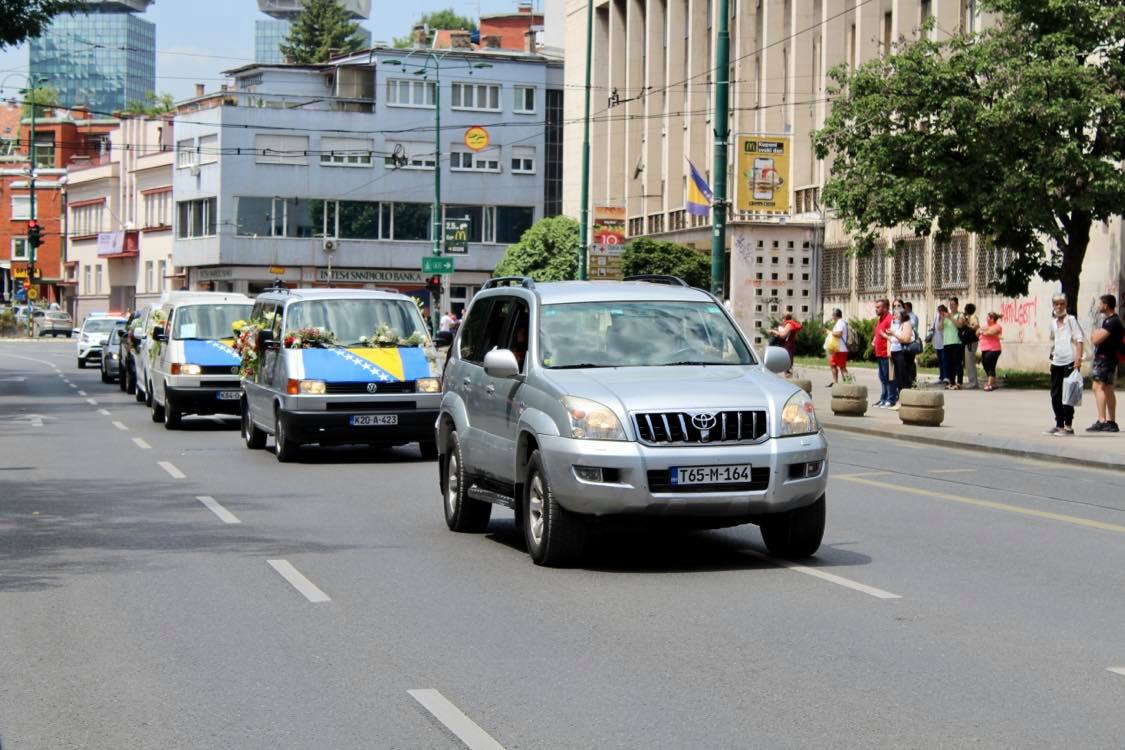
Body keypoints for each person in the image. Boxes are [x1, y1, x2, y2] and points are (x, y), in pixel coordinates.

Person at [1044, 294, 1084, 436]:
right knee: (1055, 394)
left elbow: (1079, 340)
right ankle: (1059, 424)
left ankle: (1068, 426)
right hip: (1057, 362)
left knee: (1068, 394)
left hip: (1070, 361)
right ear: (1053, 305)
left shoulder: (1071, 320)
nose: (1059, 306)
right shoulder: (1053, 322)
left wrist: (1078, 360)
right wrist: (1052, 356)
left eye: (1062, 304)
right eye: (1056, 304)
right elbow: (1052, 340)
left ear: (1066, 305)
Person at [1087, 294, 1122, 433]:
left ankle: (1102, 420)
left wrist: (1094, 333)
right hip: (1109, 358)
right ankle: (1111, 422)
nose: (1099, 306)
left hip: (1104, 359)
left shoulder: (1111, 322)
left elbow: (1096, 339)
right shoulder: (1113, 321)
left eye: (1101, 304)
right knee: (1108, 388)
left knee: (1098, 387)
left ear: (1106, 305)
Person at [882, 308, 915, 410]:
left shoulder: (906, 324)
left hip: (903, 355)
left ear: (902, 315)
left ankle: (904, 402)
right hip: (896, 354)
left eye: (896, 314)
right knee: (899, 380)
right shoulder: (900, 324)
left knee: (903, 379)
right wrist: (887, 335)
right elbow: (895, 340)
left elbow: (905, 339)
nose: (894, 316)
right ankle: (900, 401)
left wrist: (893, 333)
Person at [872, 299, 893, 407]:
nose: (876, 309)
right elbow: (879, 332)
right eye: (876, 307)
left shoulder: (889, 319)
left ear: (885, 308)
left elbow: (891, 335)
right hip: (879, 353)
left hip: (886, 353)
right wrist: (875, 340)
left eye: (878, 307)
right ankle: (883, 398)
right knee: (882, 377)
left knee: (888, 377)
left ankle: (890, 399)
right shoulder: (881, 319)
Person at [943, 296, 965, 390]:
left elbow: (959, 325)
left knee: (957, 364)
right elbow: (940, 328)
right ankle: (952, 382)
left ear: (957, 305)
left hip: (957, 342)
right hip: (947, 342)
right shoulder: (946, 316)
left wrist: (951, 317)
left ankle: (959, 382)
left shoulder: (960, 315)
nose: (951, 306)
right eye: (950, 305)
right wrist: (942, 318)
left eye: (953, 304)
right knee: (949, 364)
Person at [978, 312, 1003, 391]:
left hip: (994, 349)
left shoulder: (997, 326)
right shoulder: (986, 326)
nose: (987, 318)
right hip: (985, 349)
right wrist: (982, 330)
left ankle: (989, 384)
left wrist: (983, 331)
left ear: (992, 319)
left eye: (988, 317)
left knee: (990, 365)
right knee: (985, 364)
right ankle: (993, 383)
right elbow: (977, 332)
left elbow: (990, 332)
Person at [827, 309, 849, 386]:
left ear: (835, 315)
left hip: (840, 349)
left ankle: (848, 383)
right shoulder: (840, 323)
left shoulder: (840, 323)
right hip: (837, 349)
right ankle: (835, 382)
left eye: (833, 315)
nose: (832, 317)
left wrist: (830, 332)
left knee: (842, 367)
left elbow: (839, 334)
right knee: (833, 365)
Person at [961, 302, 981, 389]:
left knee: (970, 362)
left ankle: (973, 383)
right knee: (969, 362)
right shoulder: (969, 317)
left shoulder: (973, 317)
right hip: (970, 342)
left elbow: (976, 326)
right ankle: (973, 381)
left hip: (971, 342)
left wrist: (967, 325)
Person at [927, 305, 948, 384]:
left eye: (941, 310)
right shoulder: (936, 318)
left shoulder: (946, 318)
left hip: (945, 342)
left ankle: (946, 377)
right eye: (938, 310)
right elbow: (935, 327)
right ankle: (941, 377)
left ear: (944, 310)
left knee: (944, 360)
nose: (939, 312)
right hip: (937, 342)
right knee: (940, 361)